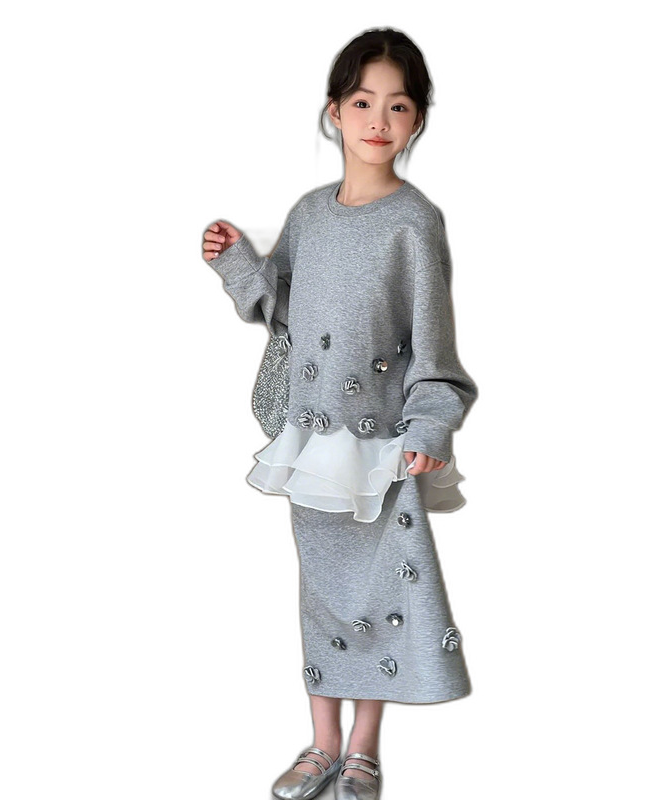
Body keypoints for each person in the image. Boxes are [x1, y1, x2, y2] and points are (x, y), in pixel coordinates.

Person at [201, 27, 478, 800]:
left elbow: (432, 344)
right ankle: (321, 744)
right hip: (310, 441)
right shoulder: (309, 214)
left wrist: (428, 426)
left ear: (417, 120)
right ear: (334, 112)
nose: (378, 120)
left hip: (377, 445)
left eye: (398, 105)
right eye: (362, 102)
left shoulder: (413, 223)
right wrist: (236, 259)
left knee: (378, 591)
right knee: (322, 590)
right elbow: (285, 308)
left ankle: (363, 749)